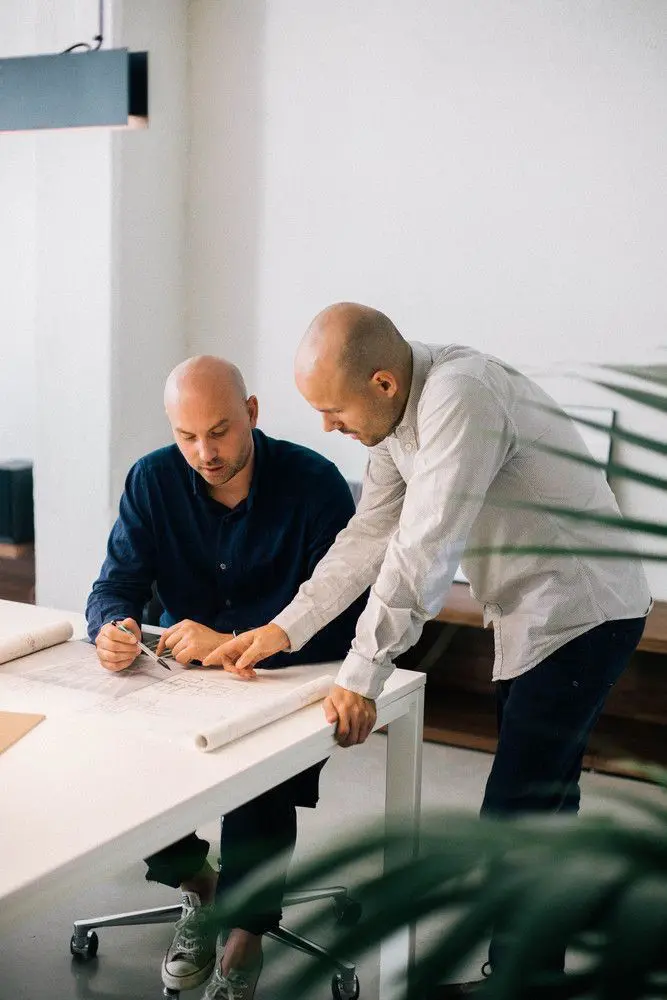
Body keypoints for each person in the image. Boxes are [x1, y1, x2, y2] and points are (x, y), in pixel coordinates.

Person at [203, 303, 651, 995]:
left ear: (382, 382)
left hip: (579, 612)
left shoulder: (459, 397)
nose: (325, 426)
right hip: (533, 613)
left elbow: (423, 551)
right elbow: (369, 535)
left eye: (332, 410)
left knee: (516, 811)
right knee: (543, 804)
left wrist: (361, 677)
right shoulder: (393, 418)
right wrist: (283, 628)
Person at [86, 355, 365, 1000]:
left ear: (252, 414)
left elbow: (346, 616)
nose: (204, 453)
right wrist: (111, 628)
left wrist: (241, 645)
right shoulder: (153, 480)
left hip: (283, 674)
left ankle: (246, 930)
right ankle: (201, 886)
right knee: (126, 757)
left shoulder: (314, 483)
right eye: (187, 437)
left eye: (219, 431)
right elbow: (114, 586)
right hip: (176, 676)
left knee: (256, 775)